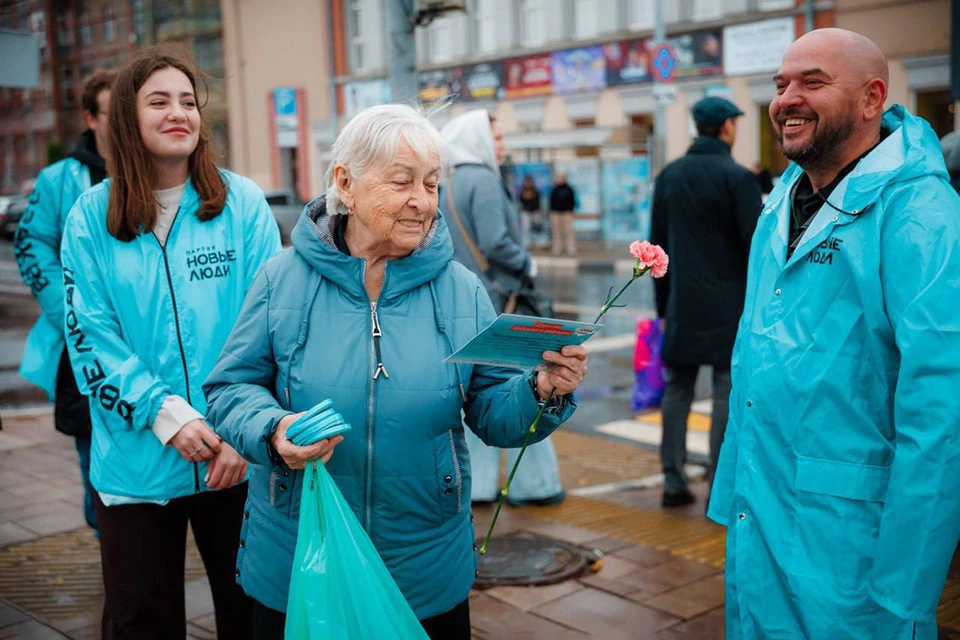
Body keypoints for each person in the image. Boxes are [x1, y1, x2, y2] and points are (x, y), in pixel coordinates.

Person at [202, 104, 588, 640]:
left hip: (424, 564)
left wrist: (541, 390)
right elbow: (230, 387)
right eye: (402, 182)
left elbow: (493, 412)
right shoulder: (280, 280)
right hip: (302, 556)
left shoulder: (462, 290)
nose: (422, 201)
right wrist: (274, 430)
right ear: (346, 183)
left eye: (431, 184)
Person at [708, 28, 960, 640]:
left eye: (812, 82)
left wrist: (906, 584)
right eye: (780, 85)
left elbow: (943, 410)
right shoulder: (782, 202)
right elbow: (751, 358)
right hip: (761, 513)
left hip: (853, 544)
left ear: (872, 98)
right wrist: (731, 490)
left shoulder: (919, 213)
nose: (786, 99)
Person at [59, 47, 281, 639]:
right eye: (158, 101)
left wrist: (246, 431)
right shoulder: (90, 217)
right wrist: (166, 415)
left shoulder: (241, 204)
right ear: (127, 119)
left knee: (254, 614)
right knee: (140, 620)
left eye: (188, 101)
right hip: (135, 464)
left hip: (236, 456)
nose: (178, 113)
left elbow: (274, 326)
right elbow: (90, 337)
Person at [439, 109, 566, 508]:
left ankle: (476, 486)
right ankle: (535, 485)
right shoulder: (484, 180)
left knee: (472, 391)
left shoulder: (450, 182)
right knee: (519, 388)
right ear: (477, 139)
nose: (501, 145)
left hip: (462, 300)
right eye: (495, 136)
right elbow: (495, 242)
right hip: (497, 300)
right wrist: (528, 263)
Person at [14, 69, 116, 534]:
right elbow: (31, 243)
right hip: (82, 349)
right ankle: (104, 535)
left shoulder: (154, 168)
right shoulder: (58, 179)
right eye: (114, 113)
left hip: (144, 341)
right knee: (91, 451)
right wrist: (69, 309)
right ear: (91, 118)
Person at [650, 96, 762, 509]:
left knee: (677, 391)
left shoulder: (670, 176)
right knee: (724, 394)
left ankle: (673, 481)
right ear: (727, 127)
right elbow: (756, 248)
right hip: (730, 309)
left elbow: (655, 251)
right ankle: (719, 484)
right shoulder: (738, 178)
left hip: (681, 304)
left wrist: (663, 309)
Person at [548, 173, 577, 256]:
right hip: (556, 213)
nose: (560, 180)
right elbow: (551, 201)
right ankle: (557, 246)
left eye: (561, 178)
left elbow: (572, 200)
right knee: (556, 231)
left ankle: (570, 246)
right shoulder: (554, 189)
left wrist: (571, 210)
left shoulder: (569, 189)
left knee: (569, 230)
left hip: (567, 212)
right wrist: (552, 211)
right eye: (559, 178)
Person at [517, 175, 541, 248]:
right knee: (525, 228)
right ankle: (526, 243)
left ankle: (535, 242)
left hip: (534, 212)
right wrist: (525, 197)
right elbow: (520, 201)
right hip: (525, 212)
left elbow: (537, 202)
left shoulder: (535, 191)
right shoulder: (522, 191)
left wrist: (538, 210)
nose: (528, 183)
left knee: (535, 228)